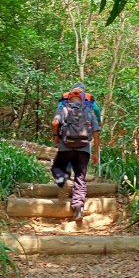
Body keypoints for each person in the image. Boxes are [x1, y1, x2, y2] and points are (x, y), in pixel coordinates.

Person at [51, 87, 100, 220]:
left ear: (69, 99)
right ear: (82, 100)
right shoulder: (89, 111)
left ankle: (64, 182)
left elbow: (55, 122)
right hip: (83, 148)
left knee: (57, 168)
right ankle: (78, 208)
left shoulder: (64, 108)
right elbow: (96, 133)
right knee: (80, 176)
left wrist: (56, 134)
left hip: (65, 146)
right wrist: (95, 152)